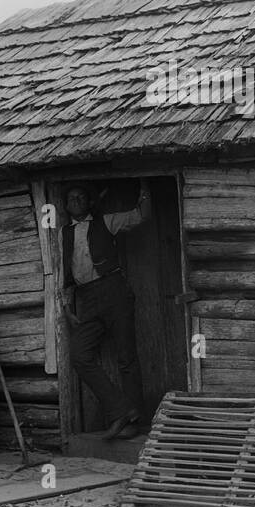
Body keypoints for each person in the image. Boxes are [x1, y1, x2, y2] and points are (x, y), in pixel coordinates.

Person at [60, 181, 151, 440]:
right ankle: (122, 410)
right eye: (70, 198)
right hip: (87, 298)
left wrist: (145, 188)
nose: (75, 200)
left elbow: (141, 216)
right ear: (65, 206)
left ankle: (134, 423)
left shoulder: (106, 222)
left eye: (80, 196)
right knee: (80, 355)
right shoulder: (63, 233)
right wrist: (67, 307)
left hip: (114, 291)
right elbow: (63, 273)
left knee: (126, 358)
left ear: (89, 202)